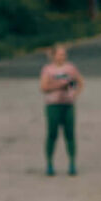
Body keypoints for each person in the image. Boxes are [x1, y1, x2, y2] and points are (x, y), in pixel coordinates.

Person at [40, 45, 83, 175]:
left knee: (70, 134)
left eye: (63, 54)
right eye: (59, 54)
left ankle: (72, 163)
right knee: (52, 134)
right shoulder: (48, 70)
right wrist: (59, 85)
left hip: (68, 104)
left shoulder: (70, 68)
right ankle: (49, 163)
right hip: (53, 104)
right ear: (53, 56)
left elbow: (79, 82)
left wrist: (75, 93)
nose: (61, 57)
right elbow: (44, 87)